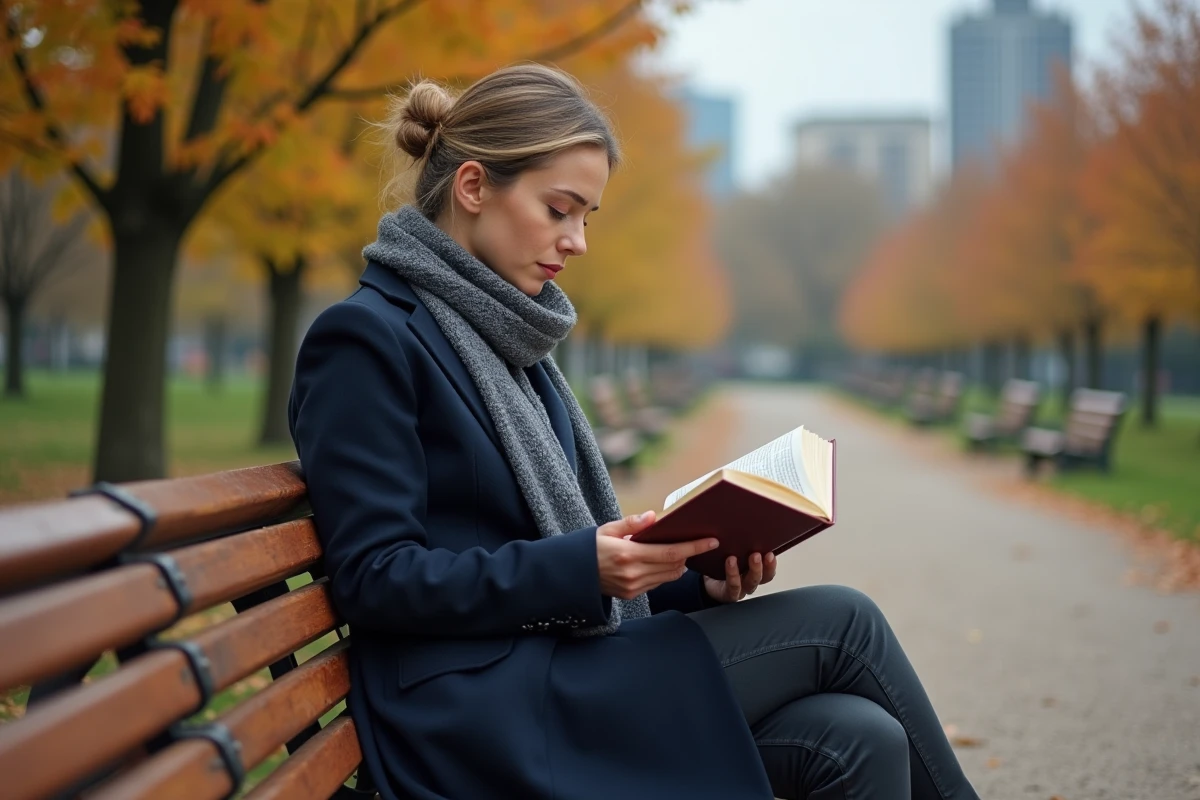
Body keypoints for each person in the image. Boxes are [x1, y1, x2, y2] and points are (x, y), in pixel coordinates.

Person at [289, 63, 980, 800]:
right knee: (845, 622)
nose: (577, 240)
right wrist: (579, 567)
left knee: (855, 737)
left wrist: (698, 581)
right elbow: (375, 578)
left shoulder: (503, 342)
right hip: (470, 707)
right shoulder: (368, 339)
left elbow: (557, 560)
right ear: (472, 188)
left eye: (587, 215)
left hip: (550, 669)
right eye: (560, 209)